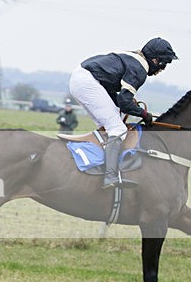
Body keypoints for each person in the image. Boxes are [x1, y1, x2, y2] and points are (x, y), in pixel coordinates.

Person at [68, 37, 178, 188]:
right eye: (164, 64)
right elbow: (125, 103)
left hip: (84, 80)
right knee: (117, 129)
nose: (162, 69)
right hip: (87, 82)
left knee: (110, 125)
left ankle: (101, 166)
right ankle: (110, 176)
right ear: (155, 60)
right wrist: (144, 114)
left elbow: (118, 98)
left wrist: (129, 105)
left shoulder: (134, 59)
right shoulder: (140, 69)